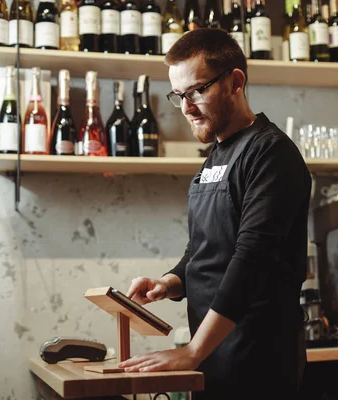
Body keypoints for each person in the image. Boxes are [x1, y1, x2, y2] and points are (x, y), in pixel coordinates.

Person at [118, 28, 312, 400]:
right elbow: (206, 248)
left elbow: (251, 261)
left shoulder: (271, 153)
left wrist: (192, 351)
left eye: (196, 91)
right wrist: (170, 282)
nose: (187, 107)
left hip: (259, 362)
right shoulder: (216, 157)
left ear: (235, 82)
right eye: (178, 96)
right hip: (214, 361)